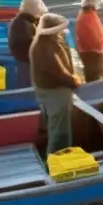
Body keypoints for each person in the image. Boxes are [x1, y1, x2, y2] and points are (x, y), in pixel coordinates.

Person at [30, 13, 80, 155]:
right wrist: (74, 81)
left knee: (55, 127)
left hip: (48, 91)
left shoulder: (45, 41)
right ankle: (56, 162)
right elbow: (58, 71)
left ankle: (56, 159)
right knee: (60, 132)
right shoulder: (44, 47)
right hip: (55, 93)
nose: (63, 31)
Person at [8, 0, 45, 88]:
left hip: (25, 58)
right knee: (28, 85)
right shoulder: (23, 24)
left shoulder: (25, 21)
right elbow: (28, 42)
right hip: (25, 60)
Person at [75, 0, 103, 82]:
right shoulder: (88, 15)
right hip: (93, 52)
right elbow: (92, 34)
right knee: (96, 77)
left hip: (92, 51)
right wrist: (99, 45)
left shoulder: (86, 14)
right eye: (98, 3)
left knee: (95, 75)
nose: (99, 5)